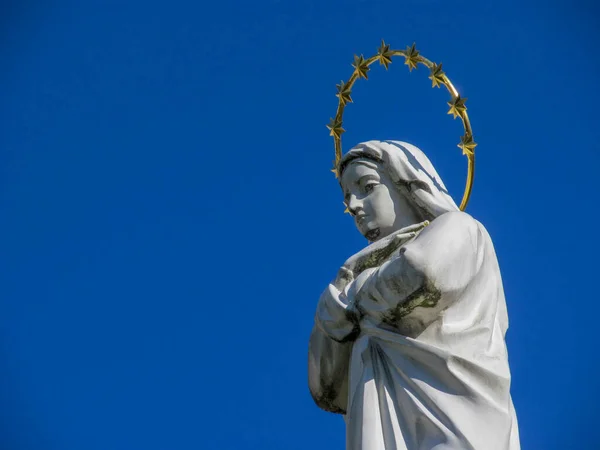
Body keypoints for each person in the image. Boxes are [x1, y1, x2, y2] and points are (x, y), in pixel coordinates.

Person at [308, 140, 520, 450]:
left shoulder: (460, 228)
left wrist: (347, 298)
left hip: (456, 417)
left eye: (366, 187)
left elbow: (422, 272)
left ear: (405, 183)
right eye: (348, 198)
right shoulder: (350, 276)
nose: (353, 206)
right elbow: (323, 386)